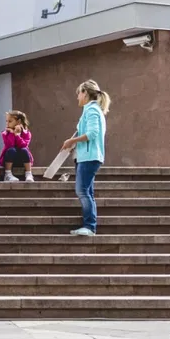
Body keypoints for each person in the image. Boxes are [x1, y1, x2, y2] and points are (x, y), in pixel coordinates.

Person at [61, 80, 109, 236]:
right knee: (87, 191)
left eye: (79, 93)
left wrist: (72, 141)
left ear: (85, 93)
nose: (77, 97)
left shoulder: (92, 110)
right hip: (88, 156)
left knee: (82, 190)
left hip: (89, 157)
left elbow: (92, 133)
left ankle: (89, 226)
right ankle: (89, 226)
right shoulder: (92, 110)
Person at [0, 110, 34, 182]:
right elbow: (9, 145)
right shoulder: (5, 133)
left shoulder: (26, 133)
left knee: (24, 150)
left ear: (18, 122)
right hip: (9, 160)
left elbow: (23, 145)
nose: (7, 123)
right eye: (6, 121)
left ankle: (28, 173)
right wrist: (12, 134)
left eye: (10, 121)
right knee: (11, 150)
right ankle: (7, 174)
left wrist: (17, 135)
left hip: (22, 161)